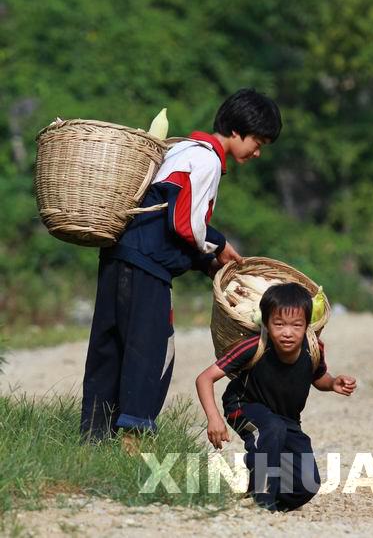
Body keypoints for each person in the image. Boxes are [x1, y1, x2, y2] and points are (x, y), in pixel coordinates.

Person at [80, 88, 283, 447]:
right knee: (151, 352)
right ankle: (134, 440)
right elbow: (183, 224)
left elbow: (165, 221)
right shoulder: (206, 161)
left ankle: (93, 438)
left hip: (118, 255)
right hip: (146, 269)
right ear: (236, 132)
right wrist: (219, 245)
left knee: (108, 349)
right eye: (257, 141)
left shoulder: (178, 150)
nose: (258, 151)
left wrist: (207, 262)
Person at [196, 283, 357, 511]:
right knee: (270, 429)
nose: (287, 332)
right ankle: (261, 499)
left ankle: (264, 496)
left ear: (307, 325)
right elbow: (204, 378)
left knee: (306, 485)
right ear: (267, 323)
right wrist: (214, 419)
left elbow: (318, 376)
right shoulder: (255, 346)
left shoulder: (314, 348)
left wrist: (332, 383)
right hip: (244, 406)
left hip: (286, 418)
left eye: (296, 325)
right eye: (279, 324)